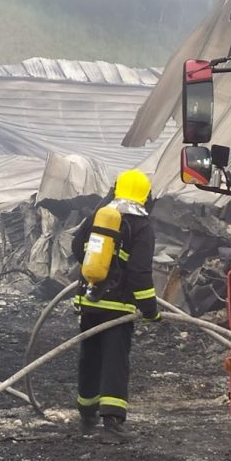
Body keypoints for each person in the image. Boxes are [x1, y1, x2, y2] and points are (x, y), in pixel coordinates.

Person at [70, 169, 161, 444]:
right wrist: (150, 310)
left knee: (90, 355)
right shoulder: (141, 226)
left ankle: (87, 414)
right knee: (114, 359)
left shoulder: (99, 216)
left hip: (88, 300)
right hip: (118, 306)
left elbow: (77, 248)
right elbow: (140, 273)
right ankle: (112, 422)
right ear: (145, 196)